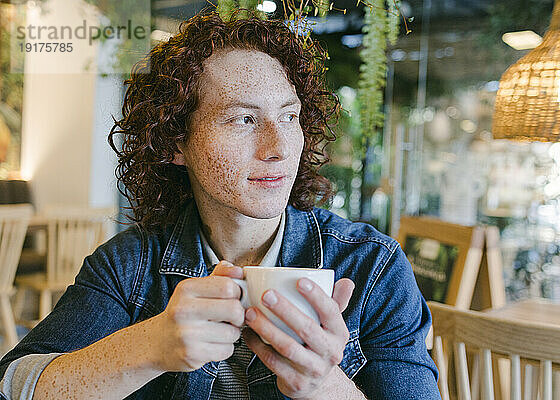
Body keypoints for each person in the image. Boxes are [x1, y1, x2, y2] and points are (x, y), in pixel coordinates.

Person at [0, 12, 440, 400]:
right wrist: (149, 347)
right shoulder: (130, 267)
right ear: (175, 142)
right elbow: (14, 383)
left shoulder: (370, 267)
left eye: (289, 116)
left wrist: (323, 385)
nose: (279, 147)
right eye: (243, 119)